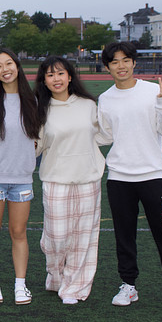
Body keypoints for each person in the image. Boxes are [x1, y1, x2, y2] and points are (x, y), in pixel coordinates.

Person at [98, 41, 162, 312]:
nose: (121, 65)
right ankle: (128, 284)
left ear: (133, 62)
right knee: (124, 235)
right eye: (114, 62)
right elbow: (105, 135)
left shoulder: (153, 91)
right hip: (119, 178)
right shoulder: (105, 99)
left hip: (153, 175)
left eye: (125, 60)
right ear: (107, 67)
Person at [34, 56, 105, 305]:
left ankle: (74, 287)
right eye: (51, 75)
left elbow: (104, 135)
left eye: (60, 73)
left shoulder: (88, 105)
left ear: (70, 76)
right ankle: (55, 276)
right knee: (56, 237)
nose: (56, 79)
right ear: (44, 80)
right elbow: (35, 146)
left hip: (88, 178)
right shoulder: (40, 109)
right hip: (55, 179)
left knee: (84, 237)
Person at [0, 48, 40, 305]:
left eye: (9, 64)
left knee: (19, 232)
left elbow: (40, 140)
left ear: (17, 65)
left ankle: (20, 284)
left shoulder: (34, 100)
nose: (5, 69)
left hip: (22, 179)